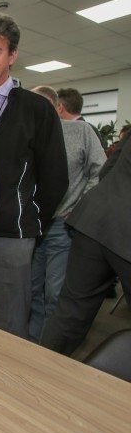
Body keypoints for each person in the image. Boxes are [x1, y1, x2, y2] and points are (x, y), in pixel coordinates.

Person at [0, 13, 68, 338]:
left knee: (9, 327)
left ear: (12, 55)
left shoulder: (36, 110)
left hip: (10, 237)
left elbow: (55, 178)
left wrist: (28, 220)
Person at [40, 124, 131, 356]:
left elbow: (107, 169)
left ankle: (40, 370)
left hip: (95, 219)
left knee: (69, 312)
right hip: (123, 230)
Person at [28, 86, 106, 342]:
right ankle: (32, 345)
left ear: (55, 107)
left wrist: (79, 209)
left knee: (55, 293)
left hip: (62, 226)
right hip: (33, 227)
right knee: (31, 291)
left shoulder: (80, 132)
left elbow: (100, 172)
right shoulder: (28, 134)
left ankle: (51, 349)